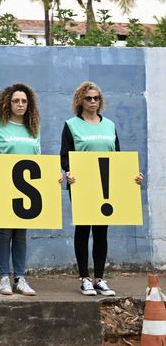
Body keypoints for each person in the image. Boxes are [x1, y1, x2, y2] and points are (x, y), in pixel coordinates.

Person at [60, 81, 144, 297]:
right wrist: (69, 172)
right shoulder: (71, 125)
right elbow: (65, 157)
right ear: (80, 100)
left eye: (96, 98)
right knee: (83, 229)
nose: (93, 102)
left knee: (101, 231)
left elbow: (118, 158)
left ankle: (99, 278)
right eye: (88, 98)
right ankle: (84, 279)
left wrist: (131, 177)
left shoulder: (109, 125)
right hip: (81, 185)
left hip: (105, 185)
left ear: (100, 101)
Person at [0, 83, 58, 296]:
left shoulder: (33, 127)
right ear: (8, 103)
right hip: (5, 185)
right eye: (16, 101)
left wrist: (53, 176)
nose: (20, 104)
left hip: (27, 189)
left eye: (24, 101)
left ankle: (20, 278)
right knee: (5, 232)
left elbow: (38, 158)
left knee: (21, 232)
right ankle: (4, 277)